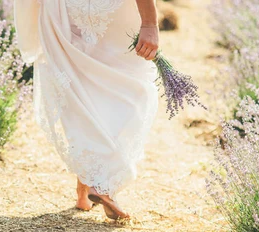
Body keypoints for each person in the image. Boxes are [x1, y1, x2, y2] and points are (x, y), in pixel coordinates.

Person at [14, 0, 160, 219]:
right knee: (129, 89)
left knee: (78, 90)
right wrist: (150, 23)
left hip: (62, 10)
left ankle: (84, 191)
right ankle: (100, 185)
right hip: (108, 11)